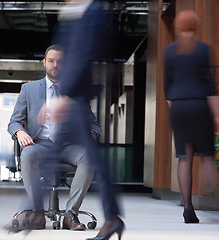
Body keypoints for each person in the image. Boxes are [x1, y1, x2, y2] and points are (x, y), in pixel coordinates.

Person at [38, 1, 124, 240]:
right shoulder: (74, 11)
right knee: (57, 154)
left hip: (76, 95)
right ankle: (33, 212)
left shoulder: (94, 10)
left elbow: (84, 54)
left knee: (93, 158)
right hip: (73, 93)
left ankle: (108, 217)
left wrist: (65, 95)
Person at [8, 44, 101, 230]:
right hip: (40, 144)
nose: (55, 65)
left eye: (60, 62)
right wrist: (20, 132)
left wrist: (91, 135)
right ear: (44, 63)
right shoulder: (29, 89)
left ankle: (70, 214)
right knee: (27, 154)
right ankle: (38, 213)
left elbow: (93, 123)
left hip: (68, 146)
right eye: (51, 61)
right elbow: (14, 122)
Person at [163, 10, 219, 223]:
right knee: (207, 156)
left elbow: (167, 88)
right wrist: (218, 119)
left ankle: (188, 209)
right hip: (199, 105)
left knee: (184, 157)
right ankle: (213, 201)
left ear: (178, 27)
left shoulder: (169, 52)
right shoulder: (204, 50)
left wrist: (177, 114)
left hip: (178, 107)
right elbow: (210, 87)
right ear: (196, 27)